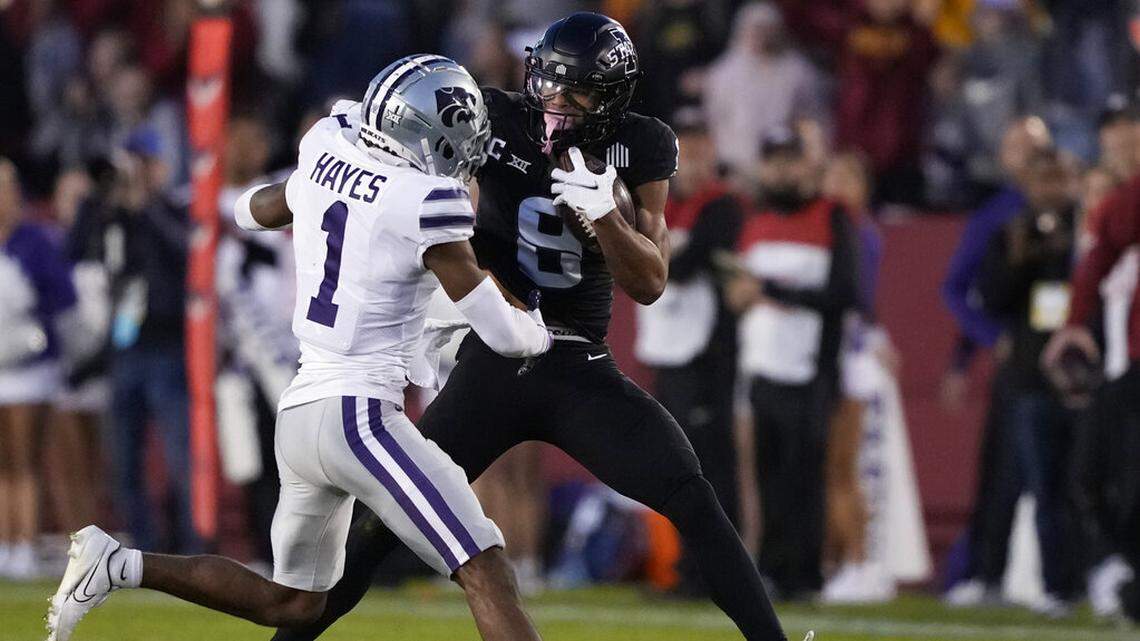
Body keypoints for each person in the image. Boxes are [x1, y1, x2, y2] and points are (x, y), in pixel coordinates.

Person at [272, 13, 798, 641]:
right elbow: (398, 148)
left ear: (610, 97)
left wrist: (605, 216)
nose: (553, 100)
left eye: (572, 91)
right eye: (547, 81)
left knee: (690, 494)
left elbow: (650, 281)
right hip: (494, 357)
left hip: (577, 363)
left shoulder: (641, 144)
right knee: (376, 528)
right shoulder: (493, 114)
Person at [46, 55, 551, 641]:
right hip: (361, 418)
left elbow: (251, 209)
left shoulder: (326, 146)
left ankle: (118, 563)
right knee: (485, 566)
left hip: (302, 412)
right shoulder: (425, 201)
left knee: (294, 603)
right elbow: (507, 336)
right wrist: (542, 321)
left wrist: (309, 201)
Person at [730, 127, 859, 600]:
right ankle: (773, 568)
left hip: (810, 371)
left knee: (805, 476)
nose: (782, 170)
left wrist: (772, 290)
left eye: (790, 160)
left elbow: (846, 294)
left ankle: (806, 574)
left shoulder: (834, 218)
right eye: (774, 160)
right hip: (762, 366)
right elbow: (743, 290)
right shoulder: (756, 219)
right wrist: (741, 297)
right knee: (767, 477)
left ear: (808, 165)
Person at [634, 111, 746, 595]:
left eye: (702, 148)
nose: (695, 159)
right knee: (677, 463)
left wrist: (647, 252)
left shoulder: (722, 207)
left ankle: (717, 572)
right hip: (668, 352)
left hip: (707, 356)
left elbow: (680, 264)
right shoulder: (660, 207)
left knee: (711, 464)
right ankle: (684, 566)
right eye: (687, 148)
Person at [978, 148, 1082, 616]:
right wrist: (1021, 258)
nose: (1052, 190)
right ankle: (1058, 586)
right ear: (1027, 186)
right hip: (1032, 378)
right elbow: (992, 297)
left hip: (1087, 377)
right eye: (1043, 180)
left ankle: (1095, 576)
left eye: (1060, 179)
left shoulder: (1092, 229)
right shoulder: (1012, 232)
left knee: (1090, 483)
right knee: (1042, 489)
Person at [0, 157, 78, 580]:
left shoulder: (35, 241)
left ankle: (25, 545)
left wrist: (35, 326)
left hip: (30, 367)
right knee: (2, 463)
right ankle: (5, 542)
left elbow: (63, 299)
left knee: (24, 461)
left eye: (7, 186)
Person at [703, 2, 824, 177]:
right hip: (735, 165)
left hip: (783, 165)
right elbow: (714, 121)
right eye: (755, 28)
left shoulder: (798, 72)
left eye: (766, 29)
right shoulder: (722, 74)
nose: (760, 35)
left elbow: (812, 119)